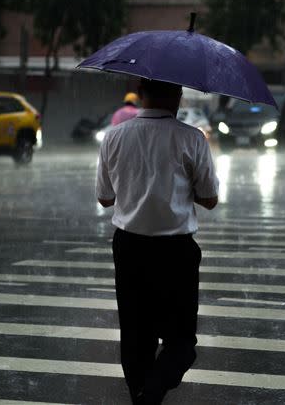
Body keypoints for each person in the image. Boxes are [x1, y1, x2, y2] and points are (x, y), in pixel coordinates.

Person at [96, 78, 219, 404]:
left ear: (140, 95)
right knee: (180, 343)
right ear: (177, 96)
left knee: (136, 336)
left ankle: (141, 394)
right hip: (175, 252)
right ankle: (152, 392)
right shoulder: (192, 139)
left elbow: (105, 198)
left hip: (129, 248)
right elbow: (209, 198)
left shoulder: (114, 137)